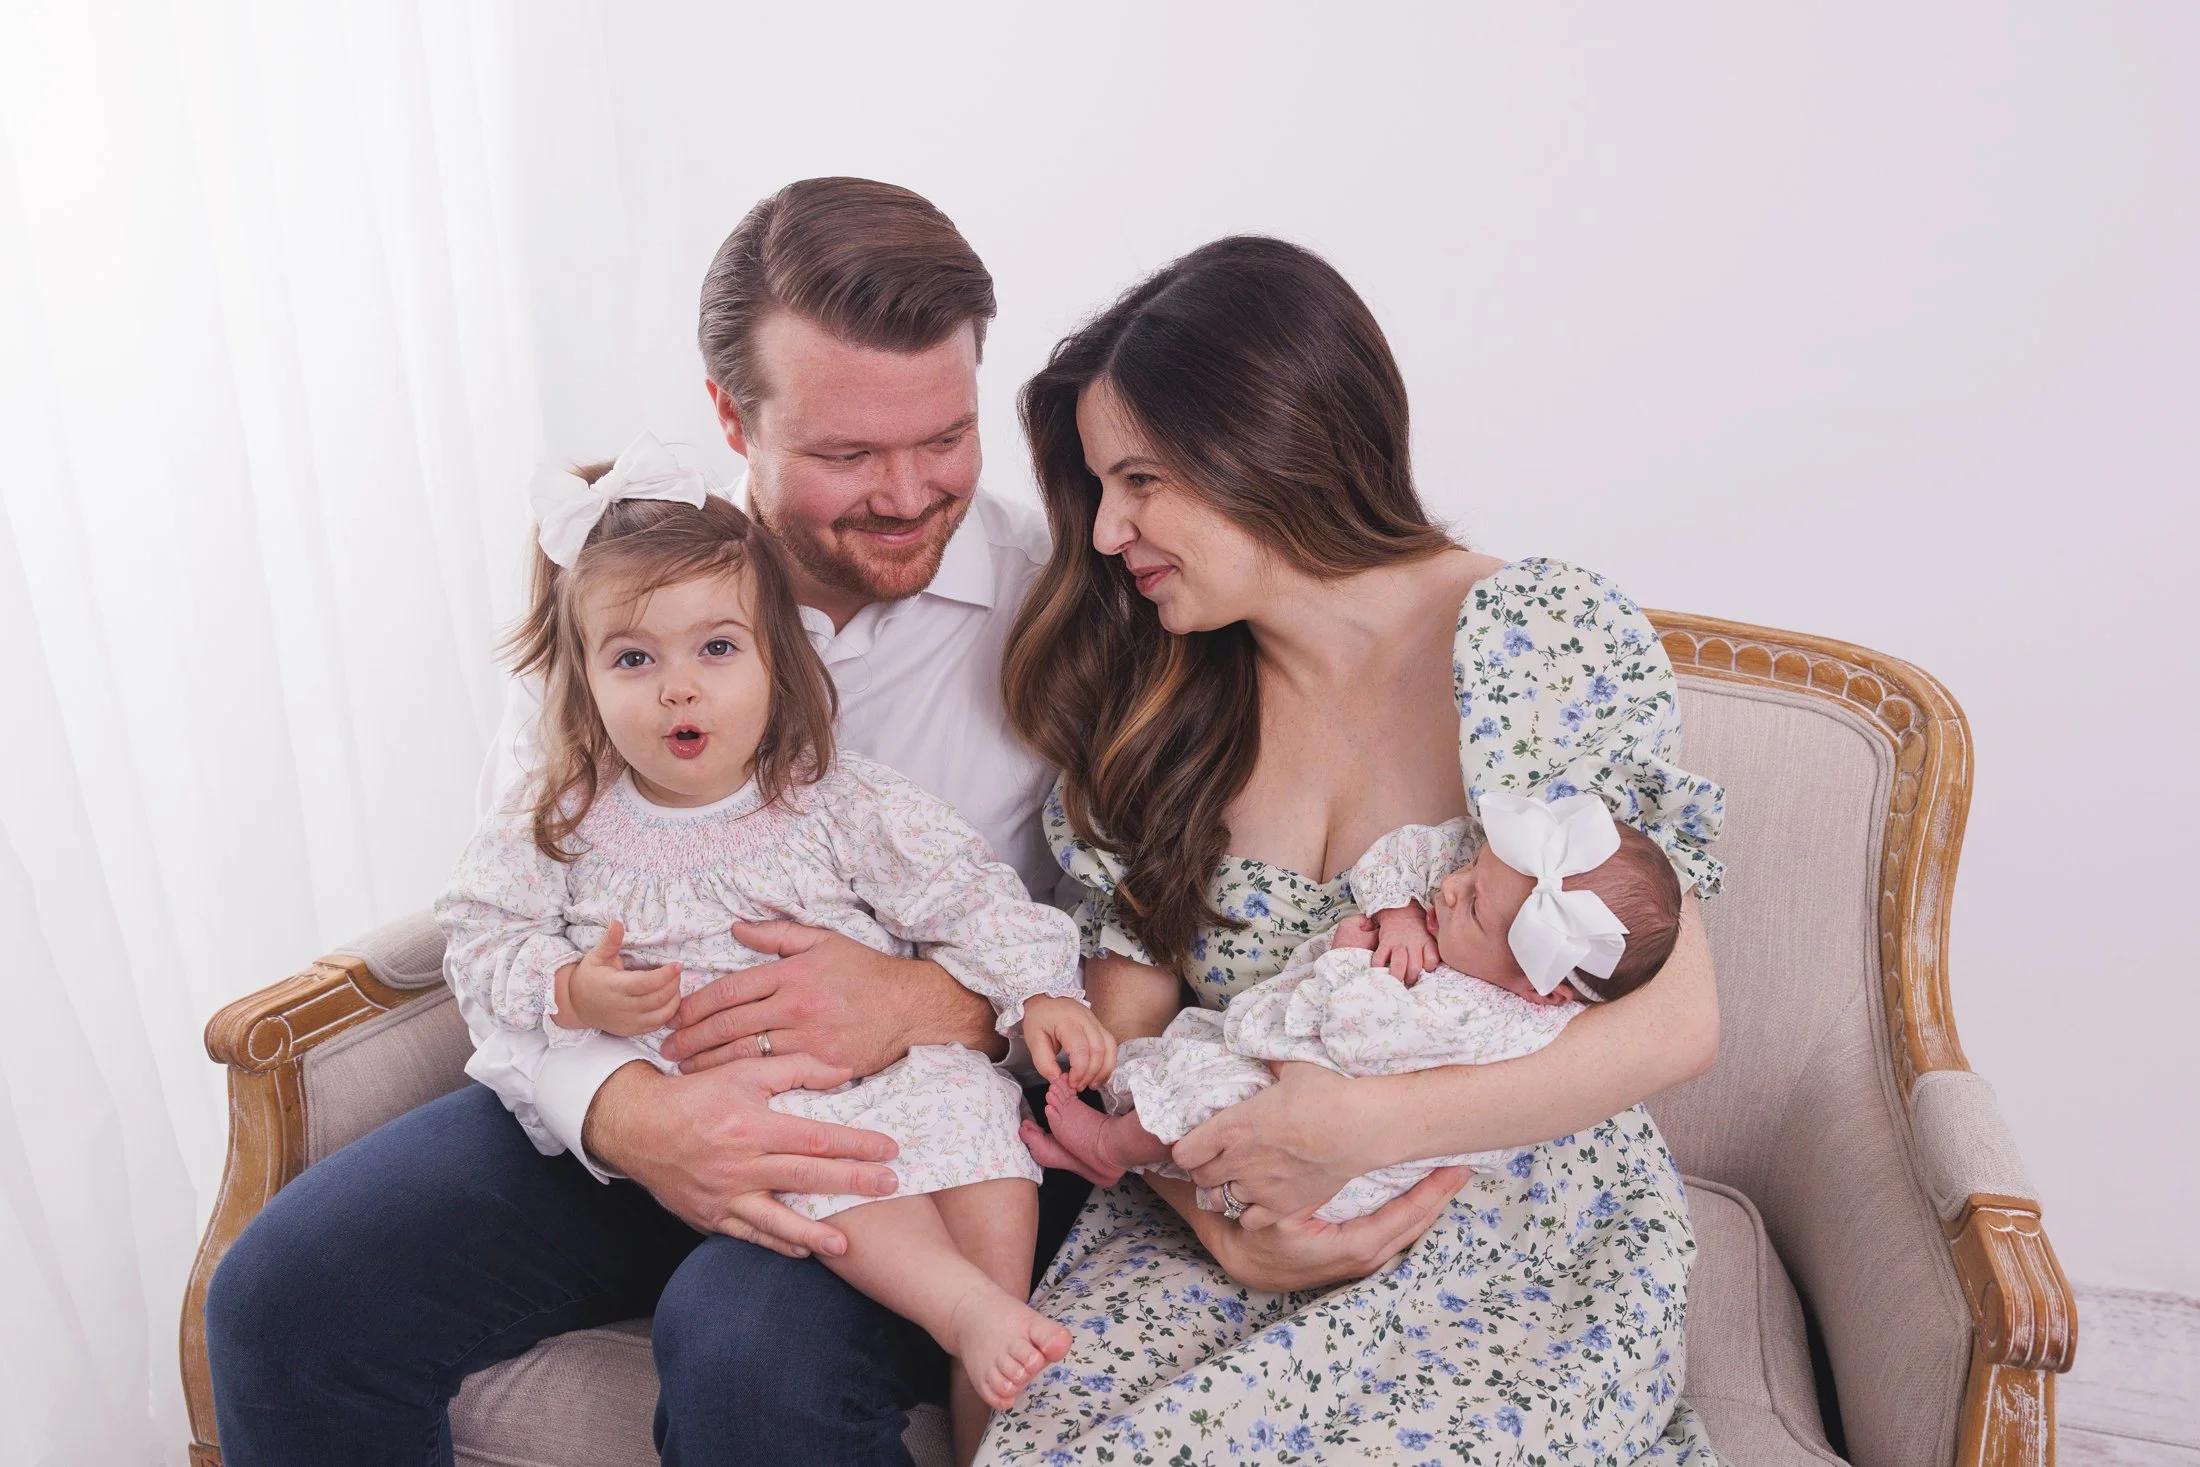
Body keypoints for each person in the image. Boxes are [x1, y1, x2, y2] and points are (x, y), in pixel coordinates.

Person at [204, 177, 1106, 1467]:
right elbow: (511, 906)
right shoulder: (617, 596)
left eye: (944, 439)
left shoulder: (1064, 610)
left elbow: (1121, 945)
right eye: (848, 454)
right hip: (633, 1083)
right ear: (730, 416)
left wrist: (930, 1005)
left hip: (902, 1123)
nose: (908, 494)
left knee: (749, 1360)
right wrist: (622, 1110)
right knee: (285, 1299)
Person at [983, 235, 1729, 1462]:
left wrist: (1359, 1134)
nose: (1110, 532)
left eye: (1140, 480)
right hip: (1226, 1205)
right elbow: (1119, 1052)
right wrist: (1220, 1213)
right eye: (1096, 490)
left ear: (1264, 440)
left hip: (1502, 1220)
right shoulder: (1158, 708)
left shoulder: (1527, 640)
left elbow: (1675, 1023)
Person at [438, 451, 1119, 1455]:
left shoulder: (834, 799)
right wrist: (571, 989)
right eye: (634, 660)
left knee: (986, 1148)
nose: (680, 691)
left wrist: (1039, 994)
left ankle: (995, 1413)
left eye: (716, 648)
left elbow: (967, 892)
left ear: (773, 659)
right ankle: (965, 1313)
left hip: (890, 1063)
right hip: (754, 1098)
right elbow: (482, 937)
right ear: (580, 679)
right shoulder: (565, 823)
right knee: (830, 1168)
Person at [1025, 794, 1685, 1221]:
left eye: (1475, 906)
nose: (1450, 888)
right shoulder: (1490, 918)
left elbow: (1351, 1035)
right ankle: (1126, 1120)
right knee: (1192, 1055)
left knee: (1219, 1094)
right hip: (1302, 1067)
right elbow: (1414, 851)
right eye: (1473, 870)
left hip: (1346, 1157)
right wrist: (1395, 910)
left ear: (1540, 990)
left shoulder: (1478, 1016)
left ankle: (1113, 1146)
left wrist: (1349, 954)